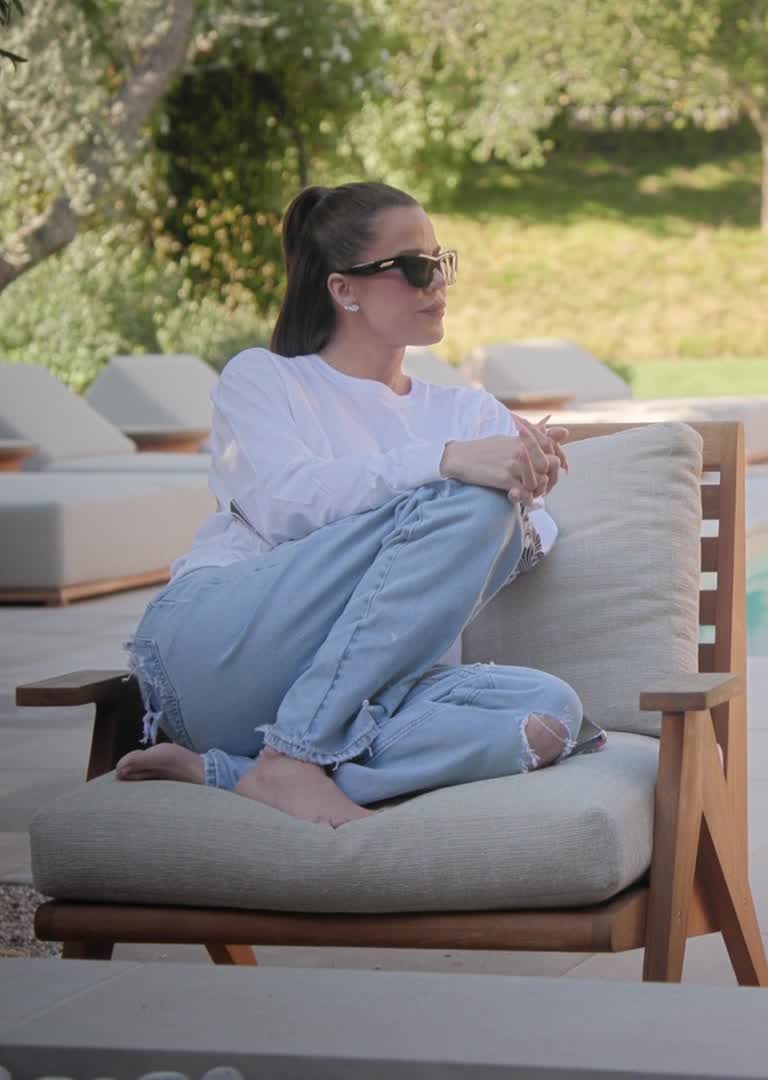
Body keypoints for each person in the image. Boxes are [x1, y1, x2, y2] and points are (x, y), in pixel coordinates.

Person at [113, 181, 589, 828]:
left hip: (363, 688)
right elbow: (285, 502)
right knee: (474, 506)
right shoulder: (266, 378)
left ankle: (243, 772)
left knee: (548, 712)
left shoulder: (467, 410)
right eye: (414, 266)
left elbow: (519, 540)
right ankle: (293, 755)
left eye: (441, 262)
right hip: (221, 649)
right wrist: (447, 462)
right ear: (344, 289)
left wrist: (528, 488)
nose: (436, 282)